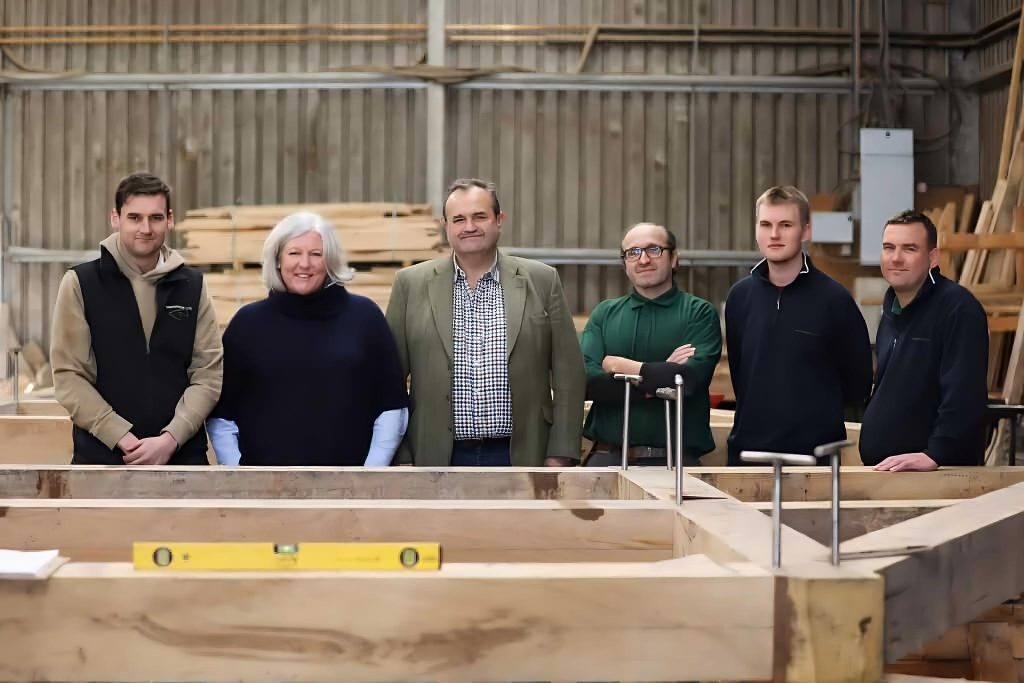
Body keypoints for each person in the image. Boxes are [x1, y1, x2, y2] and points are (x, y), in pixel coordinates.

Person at [385, 178, 585, 467]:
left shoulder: (542, 280)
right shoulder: (411, 284)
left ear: (499, 220)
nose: (469, 227)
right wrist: (402, 455)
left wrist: (561, 452)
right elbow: (390, 381)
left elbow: (569, 374)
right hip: (435, 456)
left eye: (480, 216)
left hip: (523, 454)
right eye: (459, 219)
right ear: (446, 226)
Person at [207, 212, 409, 466]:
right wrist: (239, 473)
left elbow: (391, 407)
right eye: (294, 253)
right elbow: (222, 416)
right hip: (264, 492)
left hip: (350, 490)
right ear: (277, 260)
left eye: (316, 254)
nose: (305, 264)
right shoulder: (246, 324)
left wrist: (369, 475)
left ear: (330, 261)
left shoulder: (365, 318)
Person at [51, 172, 222, 465]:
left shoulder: (192, 285)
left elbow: (208, 374)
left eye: (155, 218)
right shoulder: (81, 283)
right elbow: (69, 376)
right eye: (134, 217)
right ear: (115, 218)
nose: (146, 228)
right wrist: (121, 437)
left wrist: (171, 439)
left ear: (169, 219)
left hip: (182, 459)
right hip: (102, 459)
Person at [725, 185, 872, 465]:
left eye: (785, 225)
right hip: (748, 454)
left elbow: (858, 384)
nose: (774, 234)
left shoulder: (835, 300)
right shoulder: (739, 297)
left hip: (814, 458)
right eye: (766, 224)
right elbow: (741, 374)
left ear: (806, 231)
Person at [580, 222, 721, 466]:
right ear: (624, 264)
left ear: (674, 258)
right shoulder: (604, 314)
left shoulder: (699, 313)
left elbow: (689, 380)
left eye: (654, 249)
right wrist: (660, 375)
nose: (643, 259)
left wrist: (621, 366)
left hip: (676, 464)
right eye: (632, 253)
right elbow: (586, 383)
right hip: (607, 459)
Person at [860, 210, 989, 471]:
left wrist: (936, 454)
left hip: (936, 476)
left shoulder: (957, 309)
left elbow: (964, 392)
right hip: (891, 473)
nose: (895, 258)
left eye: (909, 248)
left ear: (932, 257)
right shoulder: (892, 310)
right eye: (888, 248)